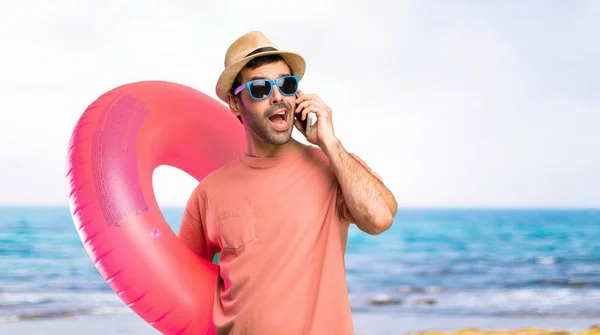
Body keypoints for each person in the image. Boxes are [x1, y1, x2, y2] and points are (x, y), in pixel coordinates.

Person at [178, 30, 398, 335]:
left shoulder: (332, 166)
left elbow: (380, 218)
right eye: (259, 88)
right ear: (236, 103)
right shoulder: (208, 193)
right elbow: (183, 285)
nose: (278, 96)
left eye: (287, 84)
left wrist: (330, 143)